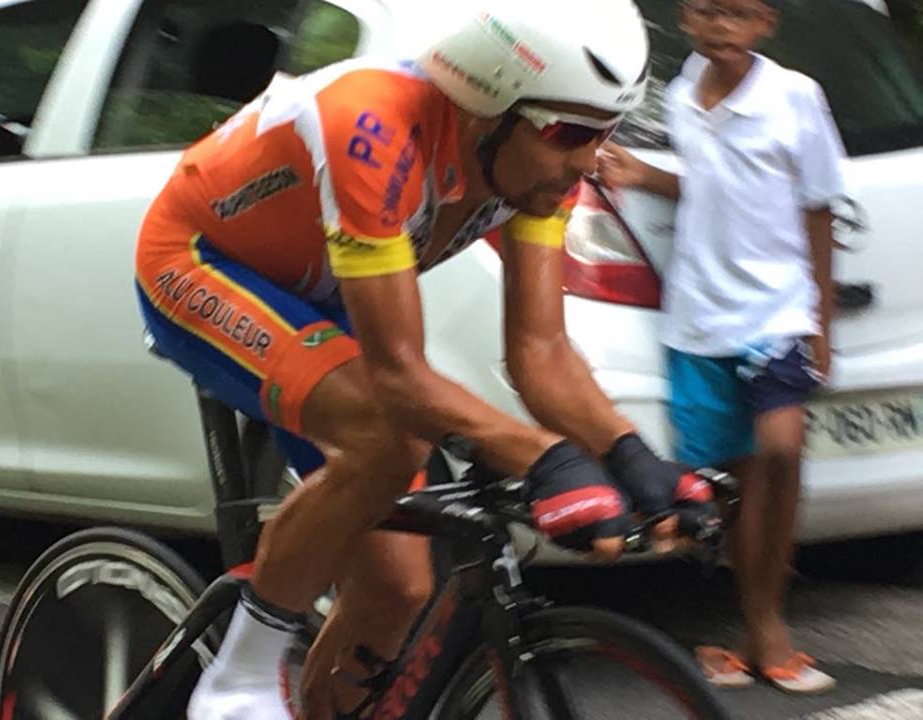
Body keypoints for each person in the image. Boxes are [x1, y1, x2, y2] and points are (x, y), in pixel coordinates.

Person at [135, 1, 713, 717]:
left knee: (398, 590)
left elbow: (541, 352)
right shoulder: (373, 125)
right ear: (488, 104)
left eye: (607, 133)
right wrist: (542, 457)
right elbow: (399, 374)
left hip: (324, 293)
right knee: (388, 433)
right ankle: (240, 681)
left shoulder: (536, 170)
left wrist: (631, 457)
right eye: (571, 132)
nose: (590, 161)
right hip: (199, 263)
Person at [600, 0, 846, 695]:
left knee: (781, 449)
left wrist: (820, 320)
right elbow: (710, 184)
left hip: (778, 313)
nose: (721, 28)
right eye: (708, 12)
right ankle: (754, 629)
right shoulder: (680, 97)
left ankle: (770, 628)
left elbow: (820, 205)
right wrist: (645, 177)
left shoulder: (795, 96)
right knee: (734, 487)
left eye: (738, 14)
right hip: (697, 320)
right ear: (686, 21)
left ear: (765, 23)